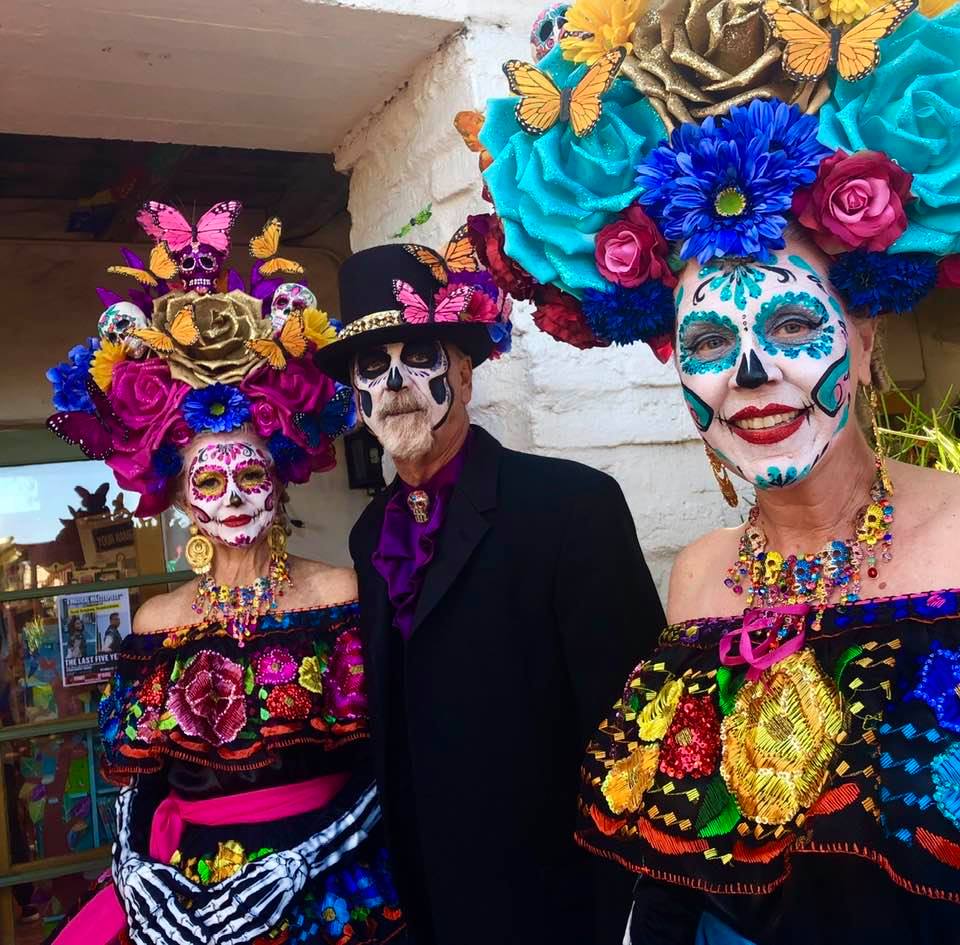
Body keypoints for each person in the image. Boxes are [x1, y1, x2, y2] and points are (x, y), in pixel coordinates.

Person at [471, 4, 960, 943]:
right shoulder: (699, 578)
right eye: (706, 340)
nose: (750, 372)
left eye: (791, 325)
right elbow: (685, 876)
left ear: (862, 341)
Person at [47, 199, 405, 945]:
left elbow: (391, 759)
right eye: (209, 481)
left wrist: (302, 862)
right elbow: (141, 779)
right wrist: (135, 871)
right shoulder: (157, 621)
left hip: (328, 890)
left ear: (281, 482)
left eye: (251, 474)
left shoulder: (341, 593)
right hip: (188, 896)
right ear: (182, 499)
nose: (235, 496)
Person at [314, 241, 663, 945]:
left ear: (466, 376)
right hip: (429, 896)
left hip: (553, 895)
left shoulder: (572, 507)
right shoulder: (368, 535)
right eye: (371, 367)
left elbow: (636, 728)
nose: (395, 382)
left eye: (420, 356)